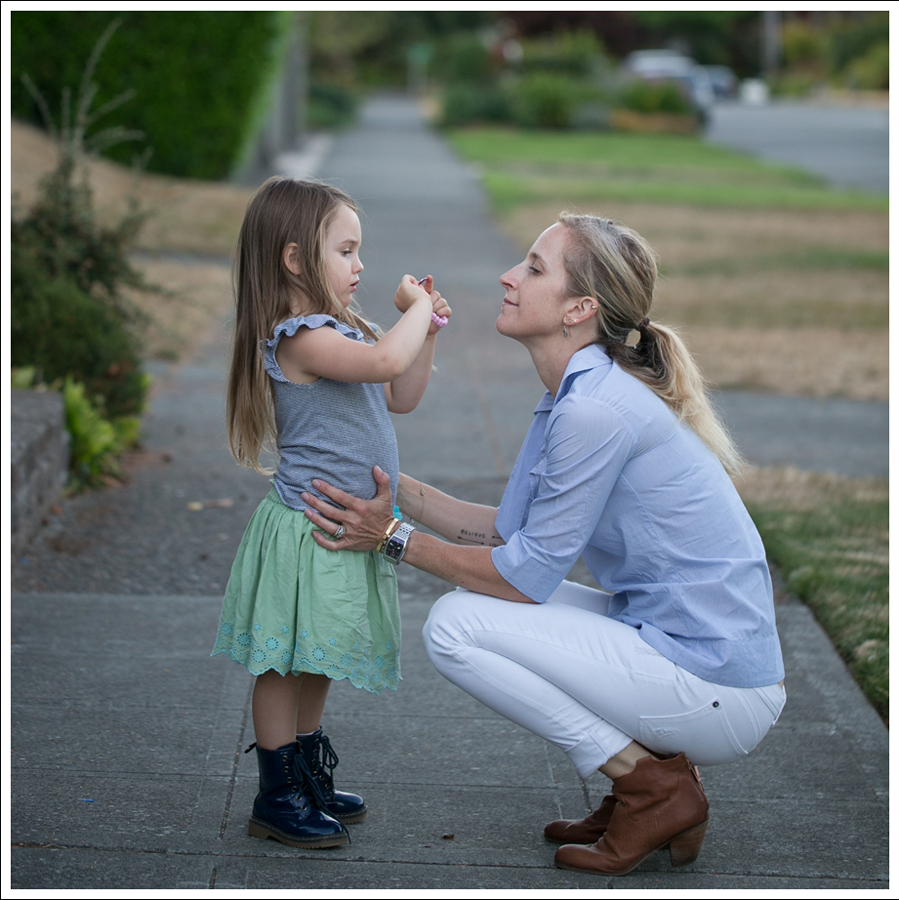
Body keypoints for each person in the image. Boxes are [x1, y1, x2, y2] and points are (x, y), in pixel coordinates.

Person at [299, 212, 786, 875]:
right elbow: (505, 535)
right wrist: (390, 487)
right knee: (481, 610)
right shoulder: (573, 392)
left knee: (455, 627)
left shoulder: (593, 409)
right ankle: (648, 789)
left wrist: (388, 538)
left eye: (532, 268)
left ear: (580, 309)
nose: (508, 276)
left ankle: (650, 787)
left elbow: (521, 576)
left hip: (716, 681)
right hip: (681, 648)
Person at [210, 177, 451, 849]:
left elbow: (401, 391)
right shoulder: (300, 337)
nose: (359, 265)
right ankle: (276, 792)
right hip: (308, 530)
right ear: (293, 260)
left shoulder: (347, 330)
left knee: (316, 657)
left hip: (342, 530)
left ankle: (306, 770)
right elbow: (382, 362)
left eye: (359, 251)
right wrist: (416, 306)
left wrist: (424, 329)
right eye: (346, 250)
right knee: (283, 664)